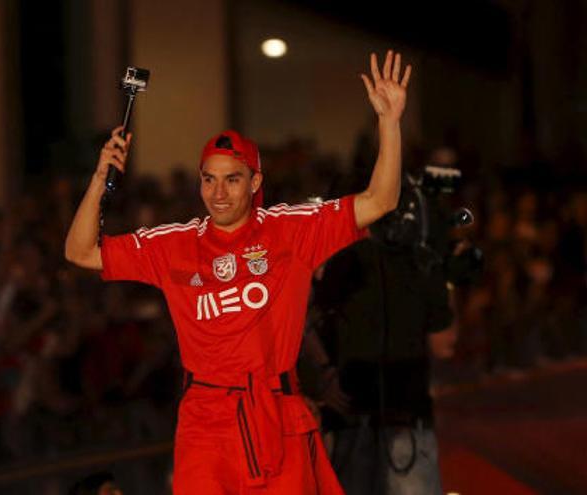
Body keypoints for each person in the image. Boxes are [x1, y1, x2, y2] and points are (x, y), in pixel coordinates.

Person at [65, 50, 412, 494]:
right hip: (206, 423)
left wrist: (389, 122)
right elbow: (80, 252)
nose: (218, 192)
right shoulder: (173, 245)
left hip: (279, 417)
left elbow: (380, 201)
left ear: (255, 181)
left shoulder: (291, 230)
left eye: (232, 179)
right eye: (209, 179)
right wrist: (99, 176)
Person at [306, 186, 457, 495]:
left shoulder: (344, 260)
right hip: (405, 419)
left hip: (351, 413)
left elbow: (303, 319)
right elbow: (444, 344)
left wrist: (324, 374)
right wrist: (452, 286)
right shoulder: (425, 264)